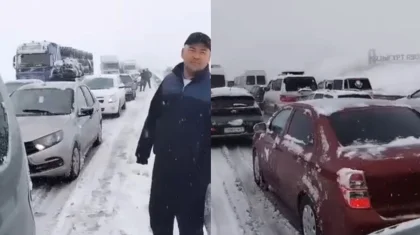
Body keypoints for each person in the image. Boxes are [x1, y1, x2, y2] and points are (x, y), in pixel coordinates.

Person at [135, 32, 211, 235]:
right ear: (182, 52)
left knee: (191, 226)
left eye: (203, 52)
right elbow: (153, 116)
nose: (197, 56)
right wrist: (144, 147)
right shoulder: (169, 82)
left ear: (209, 57)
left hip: (195, 173)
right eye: (192, 50)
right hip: (164, 167)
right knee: (159, 220)